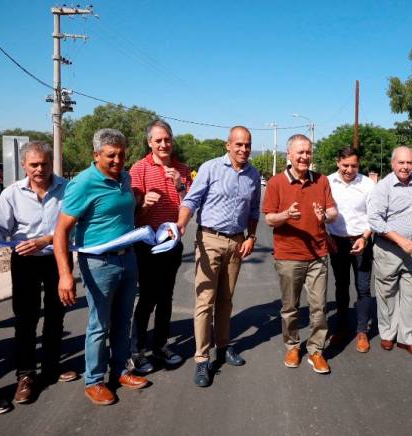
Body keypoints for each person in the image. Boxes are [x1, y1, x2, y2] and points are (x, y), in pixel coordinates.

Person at [54, 129, 150, 406]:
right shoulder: (83, 183)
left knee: (123, 320)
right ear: (96, 155)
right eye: (111, 155)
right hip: (99, 264)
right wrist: (65, 274)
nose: (118, 160)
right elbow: (61, 231)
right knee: (100, 324)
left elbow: (125, 213)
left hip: (127, 258)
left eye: (121, 154)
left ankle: (120, 370)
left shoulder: (125, 177)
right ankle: (94, 380)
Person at [0, 141, 78, 404]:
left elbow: (74, 228)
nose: (40, 169)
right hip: (24, 261)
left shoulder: (68, 190)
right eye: (34, 164)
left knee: (56, 314)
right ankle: (25, 375)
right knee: (25, 319)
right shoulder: (11, 193)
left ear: (52, 163)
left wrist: (45, 240)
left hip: (58, 259)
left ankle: (52, 367)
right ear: (24, 165)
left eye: (45, 164)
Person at [177, 126, 260, 387]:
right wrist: (180, 224)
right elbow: (191, 200)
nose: (243, 149)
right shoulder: (210, 168)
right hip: (209, 239)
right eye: (239, 145)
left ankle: (223, 348)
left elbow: (254, 210)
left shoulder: (253, 175)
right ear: (228, 145)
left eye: (247, 145)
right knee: (205, 301)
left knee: (226, 300)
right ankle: (202, 359)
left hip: (237, 241)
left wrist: (251, 237)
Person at [263, 134, 337, 374]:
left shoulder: (321, 181)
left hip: (317, 254)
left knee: (319, 307)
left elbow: (333, 211)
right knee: (290, 307)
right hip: (288, 255)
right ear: (289, 156)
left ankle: (316, 350)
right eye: (300, 152)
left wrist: (323, 216)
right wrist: (286, 215)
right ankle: (293, 345)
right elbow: (269, 218)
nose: (305, 156)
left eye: (308, 152)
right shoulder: (276, 183)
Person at [127, 120, 191, 373]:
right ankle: (136, 350)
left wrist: (179, 185)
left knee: (166, 298)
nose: (164, 144)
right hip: (146, 245)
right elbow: (130, 213)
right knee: (147, 299)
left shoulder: (183, 170)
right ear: (149, 143)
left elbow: (190, 205)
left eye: (168, 139)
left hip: (171, 243)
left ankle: (161, 346)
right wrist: (144, 205)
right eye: (159, 140)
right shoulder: (139, 169)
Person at [367, 146, 412, 357]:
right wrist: (400, 240)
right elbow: (375, 220)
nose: (405, 167)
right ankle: (387, 334)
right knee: (387, 293)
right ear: (393, 163)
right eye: (401, 163)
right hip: (389, 250)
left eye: (409, 162)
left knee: (411, 295)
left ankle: (407, 339)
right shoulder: (383, 187)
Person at [326, 147, 375, 353]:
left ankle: (362, 330)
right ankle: (342, 327)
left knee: (363, 287)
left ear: (359, 165)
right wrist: (327, 238)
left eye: (353, 166)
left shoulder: (368, 184)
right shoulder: (327, 182)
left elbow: (374, 216)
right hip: (336, 242)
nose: (349, 169)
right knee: (341, 285)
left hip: (362, 241)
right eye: (345, 165)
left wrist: (365, 238)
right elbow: (322, 212)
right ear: (338, 162)